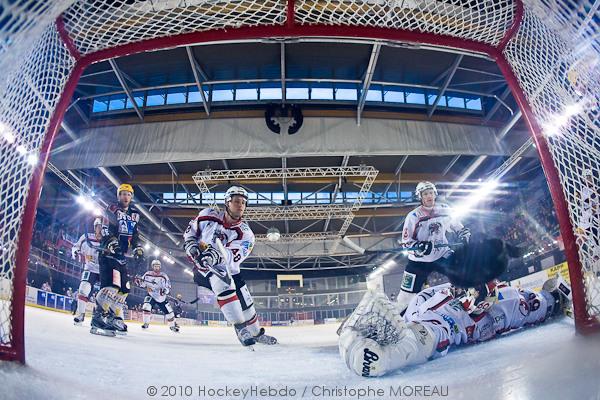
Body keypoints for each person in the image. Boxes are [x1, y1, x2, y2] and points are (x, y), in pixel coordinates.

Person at [339, 276, 572, 377]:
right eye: (465, 291)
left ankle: (365, 344)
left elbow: (427, 337)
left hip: (426, 322)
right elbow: (424, 322)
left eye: (476, 295)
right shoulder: (441, 300)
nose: (469, 298)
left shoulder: (506, 302)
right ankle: (357, 334)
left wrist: (387, 357)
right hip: (417, 315)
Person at [183, 186, 277, 347]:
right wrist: (191, 245)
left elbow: (233, 256)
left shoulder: (246, 234)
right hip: (203, 271)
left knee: (246, 304)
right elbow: (190, 233)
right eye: (236, 201)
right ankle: (240, 329)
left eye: (243, 203)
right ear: (227, 202)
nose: (240, 205)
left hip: (229, 270)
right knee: (222, 283)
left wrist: (215, 255)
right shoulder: (207, 216)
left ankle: (256, 333)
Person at [395, 181, 471, 313]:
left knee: (463, 273)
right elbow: (406, 242)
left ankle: (469, 304)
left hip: (441, 254)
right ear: (420, 197)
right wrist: (419, 247)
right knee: (406, 295)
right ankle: (401, 319)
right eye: (425, 194)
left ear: (435, 194)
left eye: (431, 193)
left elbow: (458, 226)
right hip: (418, 261)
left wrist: (464, 234)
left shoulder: (445, 209)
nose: (429, 196)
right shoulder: (413, 216)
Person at [91, 183, 144, 337]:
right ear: (118, 196)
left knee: (125, 289)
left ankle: (114, 318)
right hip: (109, 254)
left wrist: (138, 248)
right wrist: (112, 243)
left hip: (121, 257)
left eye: (128, 194)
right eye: (122, 194)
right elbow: (107, 228)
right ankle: (98, 317)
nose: (125, 196)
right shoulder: (112, 209)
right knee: (112, 286)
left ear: (131, 196)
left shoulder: (135, 214)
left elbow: (135, 235)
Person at [71, 218, 102, 324]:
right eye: (99, 226)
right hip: (90, 269)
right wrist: (75, 252)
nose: (102, 229)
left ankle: (109, 317)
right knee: (83, 289)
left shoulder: (110, 241)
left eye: (104, 227)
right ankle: (80, 314)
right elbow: (76, 246)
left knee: (108, 295)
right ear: (95, 227)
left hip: (105, 271)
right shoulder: (86, 238)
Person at [136, 259, 179, 332]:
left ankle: (172, 326)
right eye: (155, 266)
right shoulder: (147, 274)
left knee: (169, 313)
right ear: (152, 267)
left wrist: (165, 291)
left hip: (161, 297)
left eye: (158, 266)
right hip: (151, 295)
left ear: (160, 267)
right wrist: (138, 282)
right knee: (146, 306)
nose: (156, 268)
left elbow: (168, 286)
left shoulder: (163, 276)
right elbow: (143, 284)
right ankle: (146, 323)